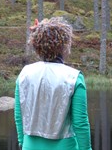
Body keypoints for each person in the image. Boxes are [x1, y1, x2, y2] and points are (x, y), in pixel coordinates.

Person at [14, 17, 92, 150]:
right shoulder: (73, 77)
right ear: (64, 45)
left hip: (30, 145)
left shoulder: (25, 74)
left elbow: (19, 114)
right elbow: (80, 123)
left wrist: (22, 141)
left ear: (37, 45)